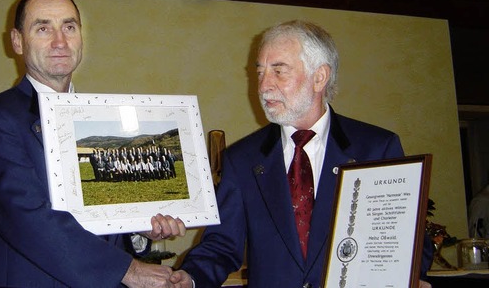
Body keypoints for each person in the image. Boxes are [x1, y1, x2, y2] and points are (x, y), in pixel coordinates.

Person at [170, 20, 433, 288]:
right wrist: (189, 278)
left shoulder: (377, 148)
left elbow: (409, 240)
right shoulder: (242, 159)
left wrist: (409, 277)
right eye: (260, 73)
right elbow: (222, 245)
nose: (263, 86)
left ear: (319, 77)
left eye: (278, 71)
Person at [0, 0, 186, 288]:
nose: (60, 41)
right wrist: (127, 270)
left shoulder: (98, 120)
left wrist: (139, 227)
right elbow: (26, 220)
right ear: (18, 41)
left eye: (69, 27)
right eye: (43, 28)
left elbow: (96, 212)